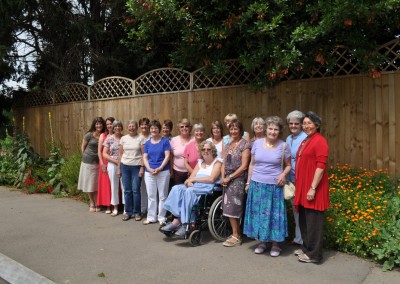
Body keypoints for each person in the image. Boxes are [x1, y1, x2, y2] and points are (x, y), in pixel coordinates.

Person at [244, 116, 291, 257]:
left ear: (280, 131)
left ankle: (276, 244)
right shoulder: (257, 143)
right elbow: (252, 164)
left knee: (274, 216)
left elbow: (288, 165)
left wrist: (283, 175)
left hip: (274, 186)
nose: (273, 132)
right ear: (266, 130)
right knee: (259, 215)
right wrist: (248, 182)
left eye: (276, 129)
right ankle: (263, 242)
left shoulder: (284, 146)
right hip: (257, 184)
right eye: (270, 128)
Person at [162, 141, 222, 237]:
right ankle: (177, 219)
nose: (206, 151)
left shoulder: (217, 162)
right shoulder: (200, 162)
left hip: (207, 187)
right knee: (176, 188)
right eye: (203, 149)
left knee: (189, 191)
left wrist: (194, 179)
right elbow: (191, 177)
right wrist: (189, 181)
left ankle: (188, 223)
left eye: (208, 149)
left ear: (213, 151)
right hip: (196, 185)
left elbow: (212, 179)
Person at [293, 111, 329, 263]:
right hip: (304, 186)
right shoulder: (306, 140)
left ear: (317, 125)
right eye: (305, 123)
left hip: (314, 188)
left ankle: (315, 255)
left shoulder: (320, 141)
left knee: (314, 222)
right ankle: (307, 247)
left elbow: (320, 166)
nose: (306, 126)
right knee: (305, 220)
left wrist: (313, 188)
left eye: (309, 123)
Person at [221, 119, 251, 247]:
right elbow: (223, 162)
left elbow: (244, 166)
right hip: (227, 179)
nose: (233, 131)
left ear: (241, 130)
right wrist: (223, 176)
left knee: (234, 208)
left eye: (236, 129)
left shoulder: (245, 145)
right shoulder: (229, 144)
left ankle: (237, 236)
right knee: (228, 207)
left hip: (237, 179)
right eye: (231, 129)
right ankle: (235, 233)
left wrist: (230, 177)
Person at [142, 120, 171, 225]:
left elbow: (167, 156)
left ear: (159, 130)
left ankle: (161, 217)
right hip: (149, 172)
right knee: (151, 195)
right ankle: (151, 217)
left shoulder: (165, 141)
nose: (153, 130)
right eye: (152, 128)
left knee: (163, 195)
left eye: (155, 128)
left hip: (163, 172)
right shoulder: (148, 143)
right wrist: (149, 168)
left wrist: (160, 168)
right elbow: (145, 157)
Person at [286, 111, 307, 246]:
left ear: (301, 125)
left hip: (302, 178)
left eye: (296, 123)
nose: (293, 126)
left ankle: (305, 240)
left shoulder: (305, 138)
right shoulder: (289, 138)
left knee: (303, 210)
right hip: (291, 178)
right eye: (291, 123)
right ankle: (298, 238)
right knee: (295, 210)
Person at [118, 120, 145, 221]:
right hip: (125, 167)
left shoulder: (141, 138)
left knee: (136, 190)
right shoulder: (123, 138)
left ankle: (137, 213)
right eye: (129, 126)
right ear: (127, 128)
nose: (131, 128)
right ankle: (128, 212)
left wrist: (142, 167)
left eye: (133, 126)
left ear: (136, 127)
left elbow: (143, 154)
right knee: (127, 190)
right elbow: (120, 154)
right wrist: (118, 168)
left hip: (136, 167)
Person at [78, 117, 105, 212]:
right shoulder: (89, 135)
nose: (99, 125)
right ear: (94, 125)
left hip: (99, 162)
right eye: (97, 124)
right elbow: (83, 147)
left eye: (100, 124)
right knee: (89, 183)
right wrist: (85, 156)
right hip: (88, 162)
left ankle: (98, 202)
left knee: (97, 183)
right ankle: (92, 202)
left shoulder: (104, 135)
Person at [103, 120, 123, 217]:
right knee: (114, 186)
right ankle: (115, 207)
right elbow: (104, 153)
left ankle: (125, 208)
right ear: (113, 128)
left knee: (124, 187)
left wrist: (120, 162)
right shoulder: (109, 139)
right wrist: (115, 161)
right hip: (112, 164)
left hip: (124, 165)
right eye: (115, 126)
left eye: (119, 126)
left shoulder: (125, 138)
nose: (117, 128)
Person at [97, 117, 114, 213]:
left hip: (114, 162)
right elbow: (99, 152)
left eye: (110, 123)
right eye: (107, 124)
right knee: (106, 185)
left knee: (114, 184)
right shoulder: (103, 135)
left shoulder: (118, 135)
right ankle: (108, 206)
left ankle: (115, 204)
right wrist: (102, 163)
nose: (109, 126)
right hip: (104, 162)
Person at [170, 118, 193, 185]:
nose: (184, 128)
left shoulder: (194, 139)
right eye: (182, 127)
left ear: (190, 128)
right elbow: (171, 157)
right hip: (177, 172)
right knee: (178, 191)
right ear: (179, 129)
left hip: (192, 172)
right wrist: (171, 170)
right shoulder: (174, 140)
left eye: (186, 126)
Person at [139, 117, 151, 216]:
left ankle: (152, 210)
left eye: (146, 124)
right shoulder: (137, 137)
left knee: (151, 190)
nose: (144, 126)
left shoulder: (152, 136)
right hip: (140, 166)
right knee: (142, 188)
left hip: (152, 166)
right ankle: (143, 209)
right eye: (142, 124)